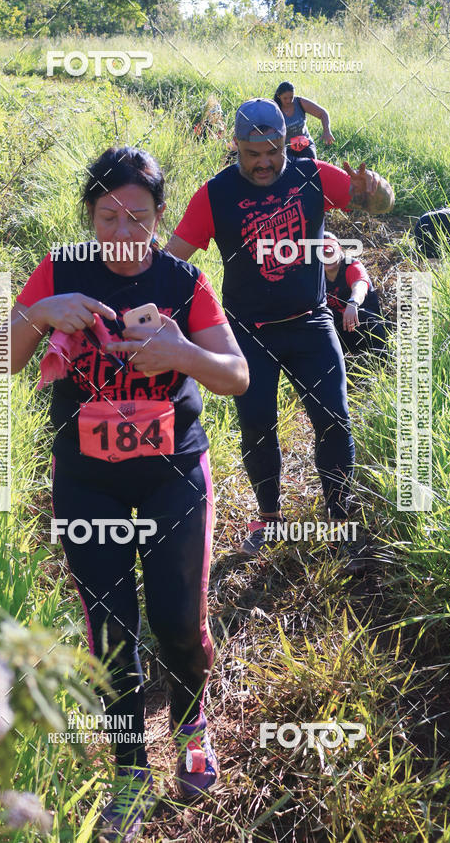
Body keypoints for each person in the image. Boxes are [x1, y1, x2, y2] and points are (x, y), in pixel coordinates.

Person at [8, 146, 249, 841]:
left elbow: (234, 375)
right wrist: (42, 311)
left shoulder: (183, 280)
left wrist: (183, 355)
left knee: (177, 620)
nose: (122, 230)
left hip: (175, 475)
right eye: (107, 215)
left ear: (158, 216)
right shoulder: (59, 271)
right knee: (111, 630)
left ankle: (192, 724)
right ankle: (129, 770)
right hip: (86, 481)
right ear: (87, 216)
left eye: (137, 216)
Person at [166, 98, 394, 555]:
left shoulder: (312, 174)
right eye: (254, 154)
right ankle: (269, 517)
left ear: (285, 143)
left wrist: (376, 189)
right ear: (236, 146)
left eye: (273, 151)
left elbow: (383, 207)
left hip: (312, 322)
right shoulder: (215, 194)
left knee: (334, 420)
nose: (266, 161)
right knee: (257, 426)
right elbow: (173, 262)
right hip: (248, 331)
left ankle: (338, 517)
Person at [322, 231, 387, 356]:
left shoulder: (351, 265)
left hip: (365, 323)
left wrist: (353, 303)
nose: (328, 258)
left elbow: (360, 286)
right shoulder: (317, 274)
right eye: (323, 254)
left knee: (363, 316)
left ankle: (382, 362)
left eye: (331, 253)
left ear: (340, 250)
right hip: (340, 328)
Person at [274, 80, 335, 161]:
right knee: (291, 168)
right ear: (279, 96)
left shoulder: (300, 102)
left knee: (310, 165)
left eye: (291, 97)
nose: (289, 101)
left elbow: (323, 113)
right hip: (286, 148)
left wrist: (327, 131)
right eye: (285, 98)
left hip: (304, 144)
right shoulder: (274, 109)